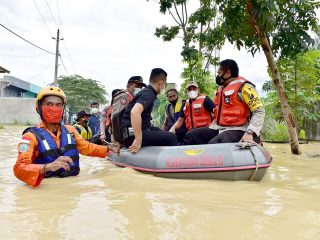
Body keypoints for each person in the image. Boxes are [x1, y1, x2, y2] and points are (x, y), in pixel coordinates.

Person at [13, 86, 119, 187]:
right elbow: (19, 168)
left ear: (63, 108)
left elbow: (86, 147)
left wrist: (108, 149)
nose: (55, 108)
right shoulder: (30, 137)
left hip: (71, 189)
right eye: (49, 104)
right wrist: (46, 167)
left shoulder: (70, 130)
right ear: (39, 108)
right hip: (46, 191)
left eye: (59, 105)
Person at [183, 59, 265, 145]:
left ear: (228, 73)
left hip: (239, 129)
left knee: (213, 143)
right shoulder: (221, 89)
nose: (218, 76)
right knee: (191, 135)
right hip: (219, 128)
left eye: (219, 73)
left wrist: (250, 133)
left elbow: (259, 111)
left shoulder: (245, 87)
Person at [119, 68, 179, 152]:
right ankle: (174, 161)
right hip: (132, 135)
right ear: (161, 83)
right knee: (171, 137)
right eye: (165, 84)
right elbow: (134, 112)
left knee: (159, 131)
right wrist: (138, 140)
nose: (164, 87)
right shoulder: (148, 93)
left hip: (130, 133)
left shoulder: (146, 92)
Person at [110, 76, 146, 143]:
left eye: (141, 87)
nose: (139, 88)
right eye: (137, 86)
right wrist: (119, 139)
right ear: (129, 86)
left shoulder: (133, 97)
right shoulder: (123, 96)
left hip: (128, 134)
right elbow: (116, 118)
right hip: (121, 137)